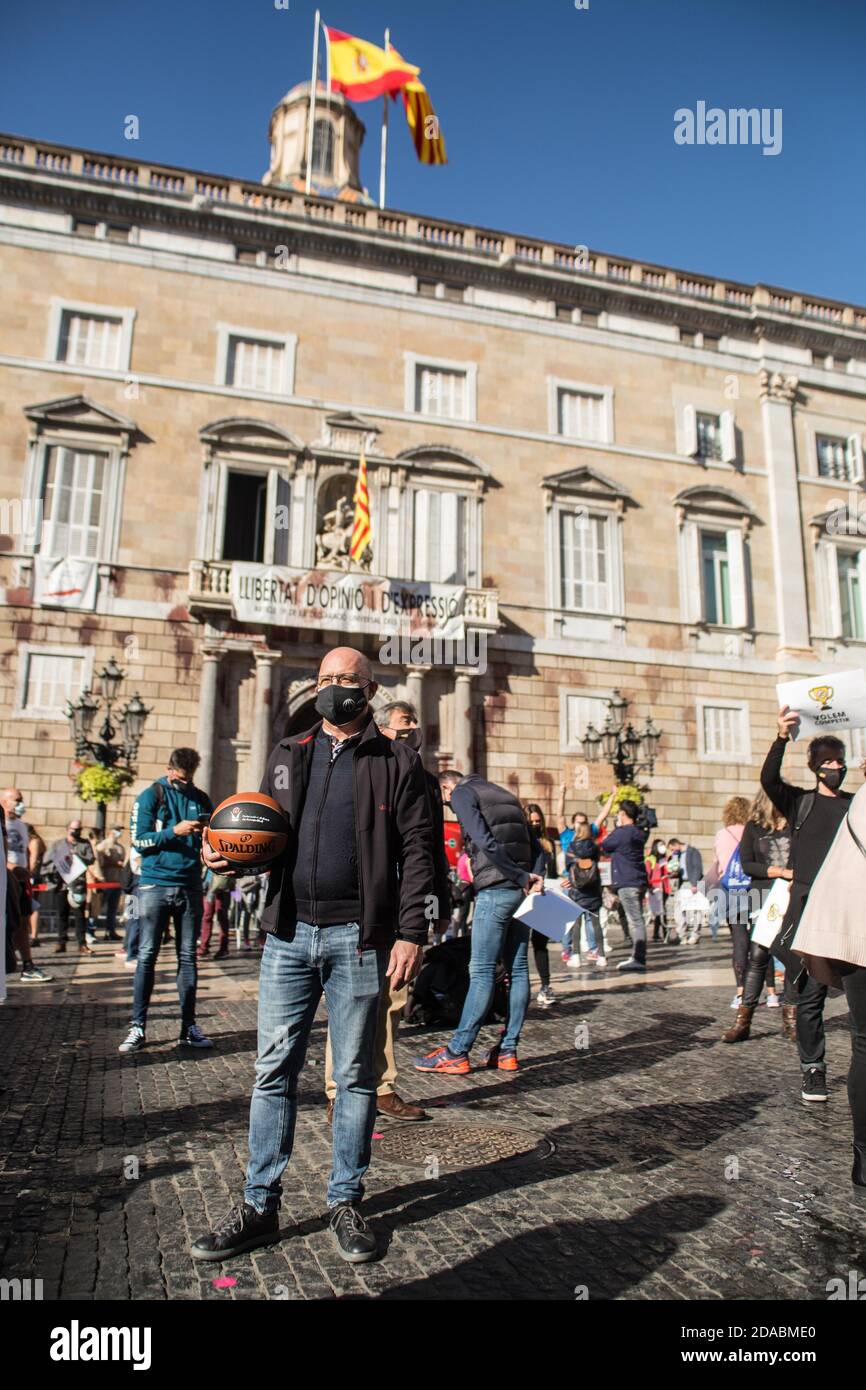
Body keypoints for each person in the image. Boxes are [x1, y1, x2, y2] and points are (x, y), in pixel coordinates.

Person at [192, 648, 435, 1265]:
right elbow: (270, 837)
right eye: (325, 679)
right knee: (273, 1070)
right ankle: (259, 1204)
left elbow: (420, 852)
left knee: (354, 1076)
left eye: (344, 681)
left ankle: (345, 1201)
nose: (332, 689)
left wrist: (411, 933)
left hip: (360, 937)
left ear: (369, 689)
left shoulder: (399, 761)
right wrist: (231, 857)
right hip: (288, 935)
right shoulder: (288, 753)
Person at [323, 697, 449, 1125]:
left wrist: (439, 904)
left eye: (415, 725)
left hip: (403, 908)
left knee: (393, 1001)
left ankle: (382, 1086)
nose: (410, 732)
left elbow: (430, 850)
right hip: (361, 906)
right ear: (381, 728)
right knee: (348, 1002)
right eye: (403, 725)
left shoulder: (426, 781)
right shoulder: (360, 769)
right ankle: (339, 1089)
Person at [413, 771, 544, 1075]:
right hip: (522, 893)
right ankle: (508, 1050)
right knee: (519, 969)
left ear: (448, 786)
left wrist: (518, 875)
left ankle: (457, 1051)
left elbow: (484, 841)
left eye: (445, 799)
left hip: (498, 889)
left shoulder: (461, 793)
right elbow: (536, 846)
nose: (448, 804)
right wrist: (533, 879)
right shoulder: (507, 796)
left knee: (482, 970)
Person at [756, 707, 852, 1103]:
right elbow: (768, 780)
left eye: (839, 762)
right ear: (815, 768)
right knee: (810, 997)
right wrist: (781, 738)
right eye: (827, 762)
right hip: (811, 909)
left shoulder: (854, 804)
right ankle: (813, 1069)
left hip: (850, 906)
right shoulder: (802, 803)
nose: (835, 767)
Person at [789, 781, 866, 1186]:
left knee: (864, 1043)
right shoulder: (808, 804)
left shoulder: (858, 801)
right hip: (850, 926)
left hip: (848, 926)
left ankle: (864, 1159)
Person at [118, 747, 214, 1055]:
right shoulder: (150, 796)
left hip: (190, 886)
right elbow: (139, 840)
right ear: (169, 769)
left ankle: (188, 1026)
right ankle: (138, 1026)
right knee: (147, 955)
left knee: (188, 957)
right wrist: (175, 831)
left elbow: (213, 839)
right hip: (154, 885)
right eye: (179, 776)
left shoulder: (201, 799)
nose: (183, 782)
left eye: (188, 778)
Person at [722, 790, 791, 1043]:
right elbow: (747, 864)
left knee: (792, 958)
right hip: (763, 895)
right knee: (759, 956)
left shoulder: (795, 825)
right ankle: (743, 1020)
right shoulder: (754, 827)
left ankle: (791, 1020)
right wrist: (779, 871)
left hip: (792, 894)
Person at [0, 787, 51, 982]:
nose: (21, 803)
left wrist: (28, 866)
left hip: (20, 881)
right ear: (4, 801)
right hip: (7, 877)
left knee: (22, 922)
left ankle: (28, 965)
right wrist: (10, 867)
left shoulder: (21, 825)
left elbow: (25, 850)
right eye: (17, 800)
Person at [596, 792, 650, 973]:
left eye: (618, 813)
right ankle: (638, 956)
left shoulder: (622, 833)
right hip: (639, 880)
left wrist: (615, 828)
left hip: (627, 881)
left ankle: (638, 958)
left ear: (623, 814)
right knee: (637, 919)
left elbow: (604, 845)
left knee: (635, 920)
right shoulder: (639, 832)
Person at [44, 818, 95, 958]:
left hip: (77, 884)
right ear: (67, 829)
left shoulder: (84, 844)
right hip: (61, 884)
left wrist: (76, 856)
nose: (76, 832)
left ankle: (81, 943)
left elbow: (91, 859)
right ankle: (61, 941)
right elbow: (48, 861)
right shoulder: (58, 844)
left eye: (78, 829)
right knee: (62, 914)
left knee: (79, 915)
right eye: (73, 829)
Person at [707, 796, 750, 953]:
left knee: (738, 935)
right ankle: (761, 973)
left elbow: (718, 865)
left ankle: (742, 974)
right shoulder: (752, 831)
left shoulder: (722, 834)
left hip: (730, 887)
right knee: (758, 935)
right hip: (753, 886)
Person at [525, 803, 557, 1007]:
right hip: (525, 893)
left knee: (540, 943)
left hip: (544, 894)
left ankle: (545, 986)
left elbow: (553, 871)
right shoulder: (522, 840)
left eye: (538, 821)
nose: (536, 824)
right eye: (532, 821)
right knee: (518, 944)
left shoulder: (548, 843)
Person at [563, 826, 604, 968]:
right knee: (596, 925)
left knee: (577, 925)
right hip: (593, 891)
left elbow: (568, 867)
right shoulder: (594, 847)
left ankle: (576, 957)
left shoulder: (571, 848)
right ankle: (602, 956)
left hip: (577, 891)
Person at [666, 837, 705, 945]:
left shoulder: (693, 851)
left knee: (695, 910)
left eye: (672, 849)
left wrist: (695, 883)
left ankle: (695, 934)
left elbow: (698, 868)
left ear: (676, 844)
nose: (672, 851)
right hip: (682, 883)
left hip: (692, 883)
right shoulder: (677, 855)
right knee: (679, 909)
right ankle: (682, 934)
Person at [95, 826, 126, 941]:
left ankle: (110, 931)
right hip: (105, 880)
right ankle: (92, 930)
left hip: (117, 880)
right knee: (98, 907)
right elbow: (98, 862)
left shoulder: (120, 847)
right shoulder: (103, 845)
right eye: (117, 830)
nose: (119, 833)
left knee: (113, 908)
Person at [199, 868, 231, 959]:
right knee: (206, 916)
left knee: (222, 918)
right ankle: (204, 946)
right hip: (208, 885)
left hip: (221, 886)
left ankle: (223, 949)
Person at [645, 838, 671, 942]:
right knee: (661, 911)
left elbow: (667, 871)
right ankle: (665, 934)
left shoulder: (664, 859)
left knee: (660, 911)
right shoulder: (650, 859)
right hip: (655, 888)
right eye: (661, 845)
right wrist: (649, 887)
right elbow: (647, 875)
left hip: (665, 888)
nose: (663, 847)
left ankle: (656, 934)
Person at [27, 823, 46, 948]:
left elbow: (33, 861)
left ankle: (34, 935)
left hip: (32, 877)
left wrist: (27, 874)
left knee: (32, 905)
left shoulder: (34, 841)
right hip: (31, 876)